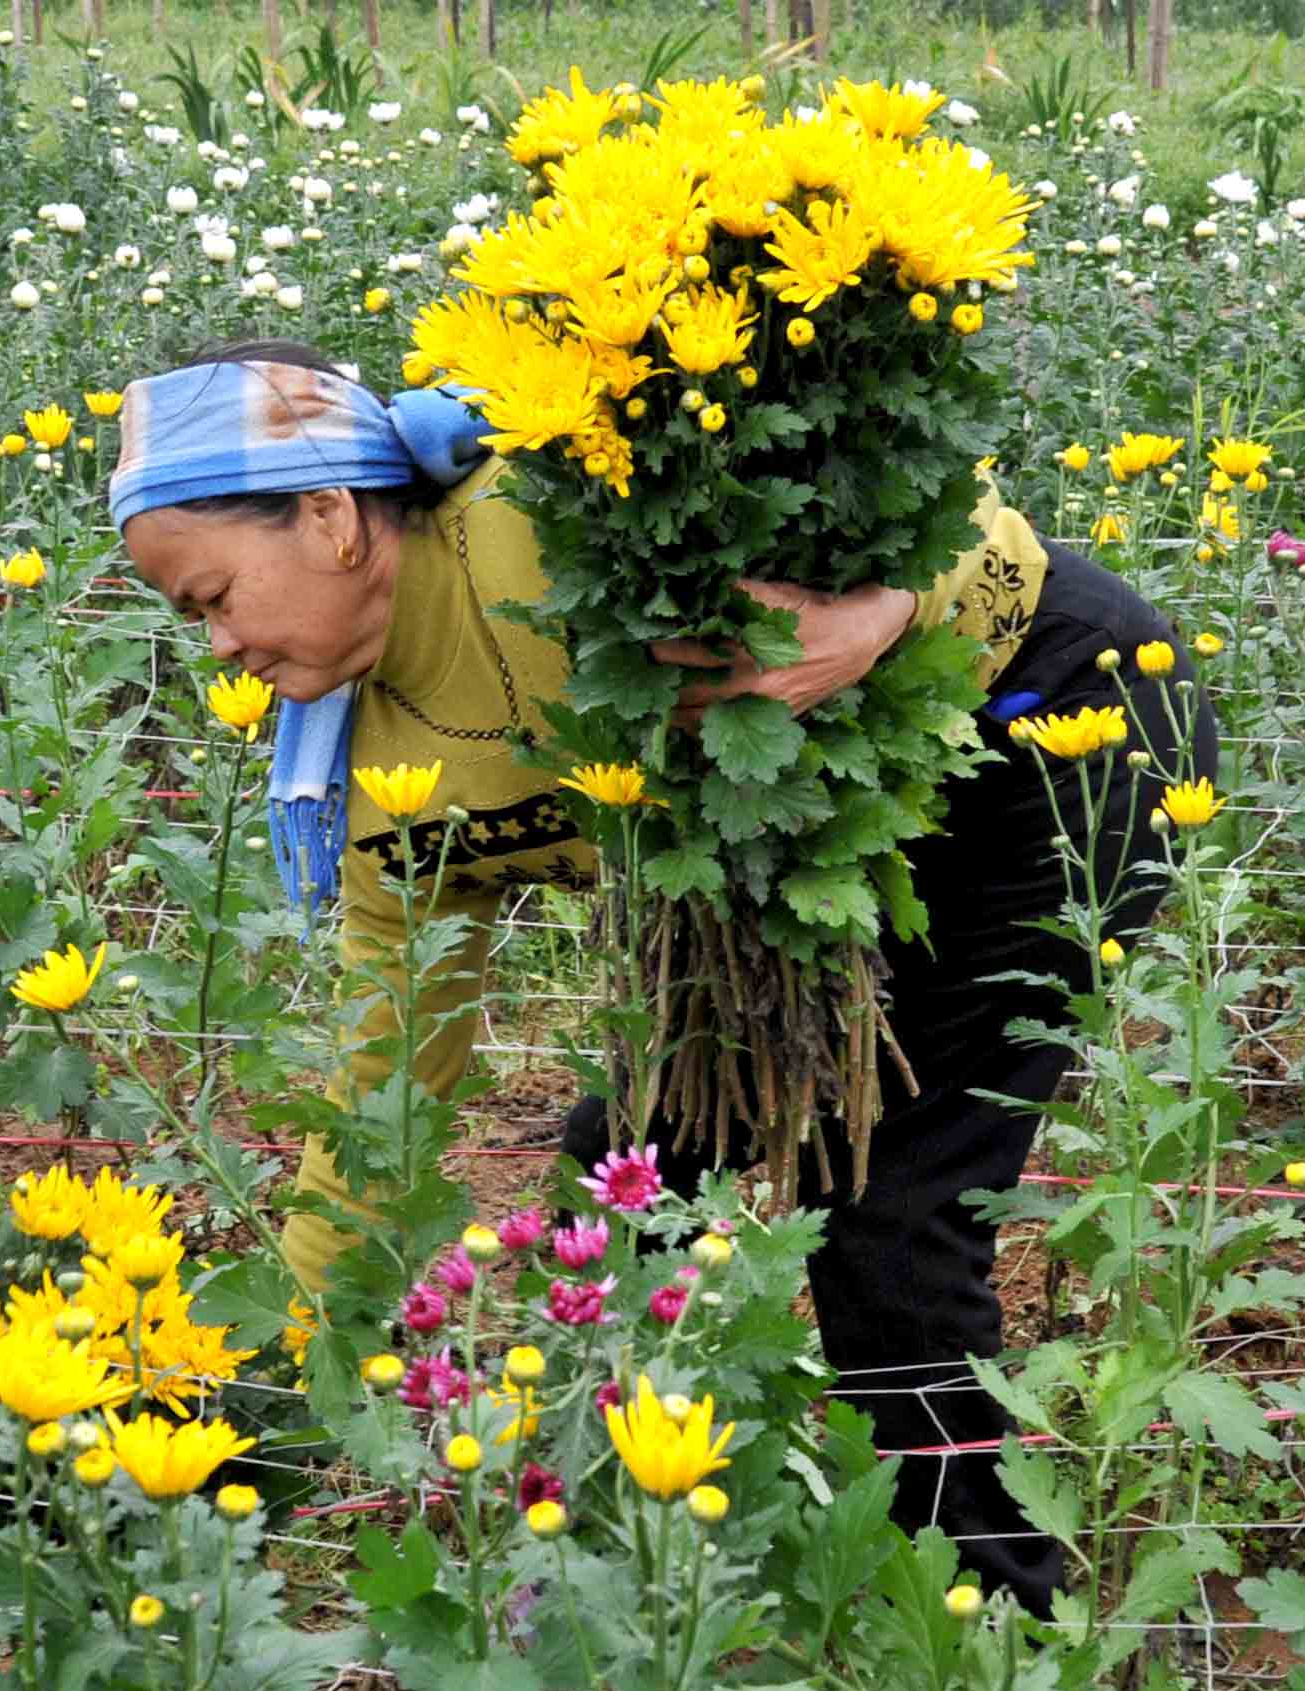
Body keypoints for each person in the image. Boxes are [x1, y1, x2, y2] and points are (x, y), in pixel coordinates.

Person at [107, 341, 1209, 1613]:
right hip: (782, 856)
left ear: (328, 517)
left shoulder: (559, 518)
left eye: (213, 597)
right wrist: (242, 1404)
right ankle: (604, 1561)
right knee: (623, 1177)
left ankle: (987, 1629)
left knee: (892, 1205)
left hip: (1048, 723)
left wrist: (880, 616)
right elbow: (380, 1092)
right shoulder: (372, 782)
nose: (220, 646)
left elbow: (935, 498)